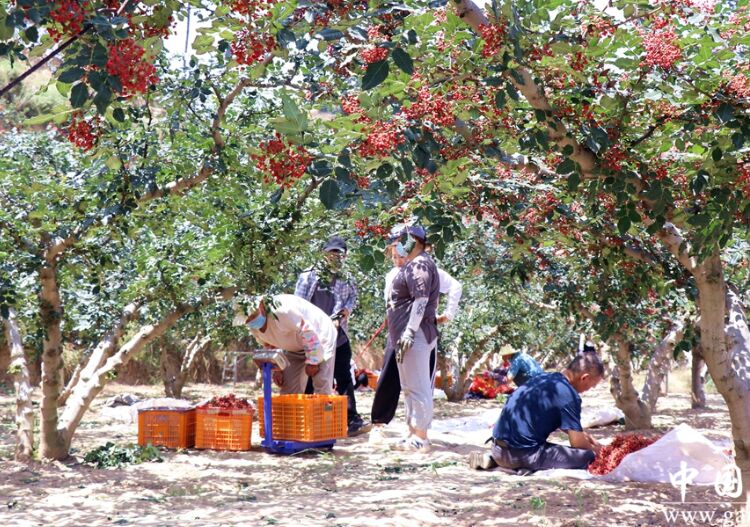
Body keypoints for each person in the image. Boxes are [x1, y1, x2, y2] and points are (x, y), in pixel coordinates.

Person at [370, 240, 462, 445]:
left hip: (420, 332)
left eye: (401, 255)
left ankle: (420, 434)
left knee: (420, 383)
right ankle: (385, 425)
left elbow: (454, 287)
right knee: (396, 379)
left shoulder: (422, 268)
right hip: (397, 333)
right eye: (393, 257)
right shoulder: (392, 275)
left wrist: (448, 314)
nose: (397, 260)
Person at [468, 352, 605, 473]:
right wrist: (600, 452)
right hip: (522, 454)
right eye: (591, 386)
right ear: (584, 377)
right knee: (588, 456)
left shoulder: (542, 378)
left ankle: (495, 460)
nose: (589, 389)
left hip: (497, 449)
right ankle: (523, 466)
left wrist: (587, 437)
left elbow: (566, 426)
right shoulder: (569, 395)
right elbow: (578, 444)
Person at [372, 224, 441, 451]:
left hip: (416, 334)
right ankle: (412, 433)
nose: (397, 248)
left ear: (414, 241)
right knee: (409, 386)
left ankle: (421, 437)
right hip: (404, 335)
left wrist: (410, 331)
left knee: (418, 386)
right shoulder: (413, 264)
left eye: (400, 242)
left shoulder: (420, 264)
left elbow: (421, 300)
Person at [295, 235, 369, 436]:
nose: (335, 257)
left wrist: (345, 311)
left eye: (339, 253)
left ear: (344, 256)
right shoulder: (309, 276)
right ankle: (306, 421)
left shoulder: (347, 277)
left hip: (337, 335)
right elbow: (298, 305)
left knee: (344, 376)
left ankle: (352, 420)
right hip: (311, 336)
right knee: (309, 376)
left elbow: (353, 298)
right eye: (331, 253)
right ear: (324, 253)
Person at [235, 294, 337, 394]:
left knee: (321, 382)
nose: (251, 320)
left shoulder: (282, 311)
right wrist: (277, 368)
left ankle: (325, 404)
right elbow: (269, 344)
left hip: (319, 336)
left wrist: (313, 361)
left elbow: (308, 331)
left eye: (253, 316)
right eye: (248, 320)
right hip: (294, 346)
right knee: (288, 387)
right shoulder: (254, 328)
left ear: (261, 306)